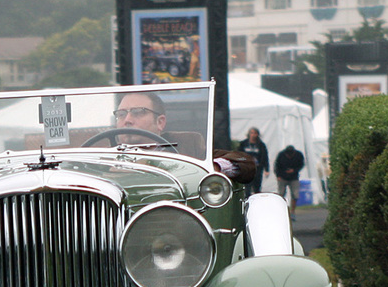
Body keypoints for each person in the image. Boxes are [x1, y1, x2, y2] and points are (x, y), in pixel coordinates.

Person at [115, 90, 255, 184]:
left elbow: (245, 163)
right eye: (121, 114)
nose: (127, 119)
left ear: (160, 122)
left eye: (138, 112)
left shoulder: (187, 147)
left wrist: (213, 168)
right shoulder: (101, 154)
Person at [237, 127, 269, 198]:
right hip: (247, 169)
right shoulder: (243, 144)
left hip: (257, 169)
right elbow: (238, 155)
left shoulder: (261, 145)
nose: (253, 135)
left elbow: (265, 157)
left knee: (257, 188)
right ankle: (247, 201)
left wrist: (266, 169)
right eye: (251, 133)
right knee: (247, 188)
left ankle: (256, 202)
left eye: (255, 133)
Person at [274, 144, 305, 215]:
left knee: (295, 195)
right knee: (281, 194)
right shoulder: (281, 155)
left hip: (294, 177)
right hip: (282, 177)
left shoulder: (299, 155)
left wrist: (294, 170)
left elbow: (301, 164)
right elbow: (277, 165)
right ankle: (281, 210)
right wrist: (278, 175)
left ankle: (292, 211)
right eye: (288, 155)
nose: (289, 156)